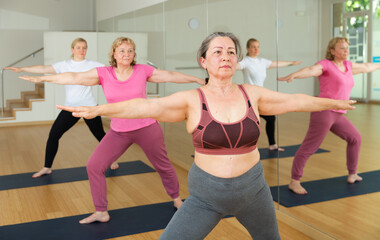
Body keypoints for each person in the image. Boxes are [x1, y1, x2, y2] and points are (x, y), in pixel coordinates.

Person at [56, 32, 356, 239]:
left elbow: (296, 102)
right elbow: (146, 105)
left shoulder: (252, 94)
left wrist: (333, 103)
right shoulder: (190, 99)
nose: (225, 56)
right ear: (204, 61)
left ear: (236, 60)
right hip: (205, 197)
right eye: (217, 51)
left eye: (230, 52)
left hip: (254, 192)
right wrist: (99, 109)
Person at [19, 36, 204, 224]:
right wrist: (43, 79)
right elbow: (74, 77)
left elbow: (170, 76)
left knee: (162, 165)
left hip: (146, 127)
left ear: (134, 55)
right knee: (94, 166)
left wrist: (197, 79)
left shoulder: (142, 71)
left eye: (130, 50)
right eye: (122, 50)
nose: (126, 54)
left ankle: (177, 199)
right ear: (114, 54)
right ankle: (101, 211)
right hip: (118, 131)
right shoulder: (104, 73)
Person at [278, 37, 380, 195]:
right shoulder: (326, 65)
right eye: (341, 48)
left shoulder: (348, 66)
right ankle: (294, 181)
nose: (346, 51)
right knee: (310, 147)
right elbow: (311, 70)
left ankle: (352, 173)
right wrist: (295, 75)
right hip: (324, 112)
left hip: (339, 113)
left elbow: (367, 66)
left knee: (355, 138)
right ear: (332, 51)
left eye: (347, 48)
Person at [5, 37, 120, 178]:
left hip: (89, 107)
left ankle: (112, 159)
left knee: (100, 135)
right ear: (72, 49)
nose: (81, 50)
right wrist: (22, 68)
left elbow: (113, 71)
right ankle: (47, 167)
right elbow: (44, 68)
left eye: (84, 48)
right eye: (78, 47)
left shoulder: (94, 64)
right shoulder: (64, 65)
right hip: (70, 108)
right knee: (54, 135)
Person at [237, 38, 301, 151]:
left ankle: (272, 145)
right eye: (253, 47)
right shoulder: (245, 61)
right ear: (247, 48)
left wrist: (291, 63)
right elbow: (235, 66)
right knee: (250, 123)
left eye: (258, 46)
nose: (256, 49)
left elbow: (276, 63)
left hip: (261, 98)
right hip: (249, 99)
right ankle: (242, 147)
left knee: (271, 118)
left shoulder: (262, 61)